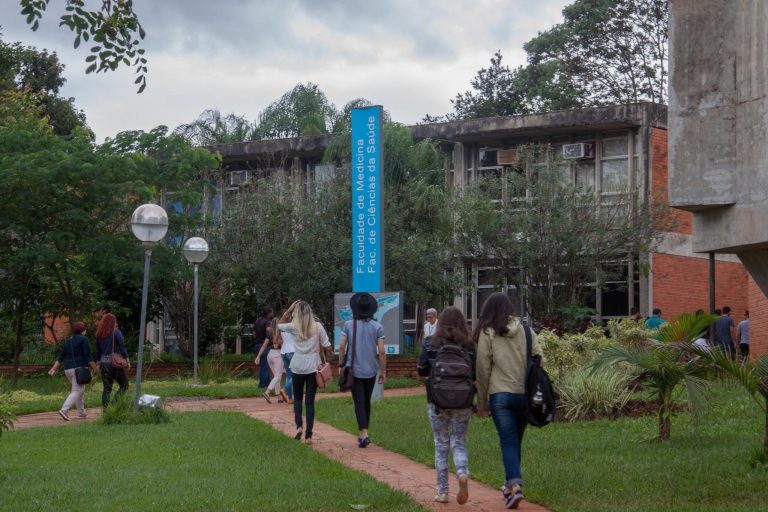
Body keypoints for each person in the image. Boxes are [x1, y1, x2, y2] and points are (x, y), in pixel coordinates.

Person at [475, 292, 543, 510]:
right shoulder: (526, 331)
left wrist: (482, 403)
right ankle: (508, 487)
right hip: (524, 395)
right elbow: (541, 359)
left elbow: (483, 369)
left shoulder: (488, 332)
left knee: (508, 440)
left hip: (500, 395)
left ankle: (515, 487)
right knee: (515, 441)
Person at [417, 306, 475, 505]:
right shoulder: (469, 345)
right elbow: (474, 374)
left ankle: (443, 492)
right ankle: (462, 473)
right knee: (459, 441)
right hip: (463, 402)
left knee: (441, 444)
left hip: (437, 402)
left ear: (439, 322)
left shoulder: (430, 343)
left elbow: (421, 370)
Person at [278, 300, 332, 445]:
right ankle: (308, 436)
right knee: (309, 401)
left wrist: (288, 311)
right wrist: (327, 360)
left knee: (297, 399)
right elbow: (328, 347)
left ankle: (298, 426)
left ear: (296, 314)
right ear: (310, 312)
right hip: (313, 367)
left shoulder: (293, 327)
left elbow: (279, 325)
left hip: (297, 366)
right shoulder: (318, 326)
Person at [338, 292, 387, 449]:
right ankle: (363, 432)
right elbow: (381, 351)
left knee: (358, 401)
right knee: (366, 401)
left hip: (354, 370)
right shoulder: (378, 326)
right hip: (371, 370)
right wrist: (383, 371)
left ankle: (363, 432)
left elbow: (341, 347)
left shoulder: (348, 325)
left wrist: (340, 366)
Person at [48, 321, 97, 421]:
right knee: (77, 390)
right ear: (83, 330)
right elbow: (88, 356)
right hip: (78, 369)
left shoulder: (68, 340)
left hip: (68, 370)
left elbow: (61, 356)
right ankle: (64, 410)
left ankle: (82, 413)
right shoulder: (84, 339)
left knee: (79, 390)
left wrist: (53, 368)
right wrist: (96, 369)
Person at [94, 313, 130, 407]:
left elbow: (97, 352)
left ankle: (106, 410)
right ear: (114, 322)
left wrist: (97, 364)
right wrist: (127, 361)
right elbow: (122, 347)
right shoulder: (116, 332)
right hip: (114, 363)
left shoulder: (99, 334)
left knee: (107, 388)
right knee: (124, 385)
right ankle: (114, 404)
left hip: (104, 363)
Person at [255, 317, 284, 403]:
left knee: (276, 377)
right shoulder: (281, 332)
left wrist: (258, 356)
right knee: (278, 376)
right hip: (278, 355)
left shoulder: (270, 333)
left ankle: (279, 397)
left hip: (270, 355)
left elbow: (264, 345)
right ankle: (267, 392)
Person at [254, 306, 274, 388]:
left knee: (264, 365)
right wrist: (271, 339)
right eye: (272, 312)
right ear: (269, 313)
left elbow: (254, 332)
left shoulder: (257, 320)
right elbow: (269, 332)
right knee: (265, 366)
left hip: (257, 344)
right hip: (265, 346)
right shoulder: (268, 322)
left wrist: (258, 339)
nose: (273, 313)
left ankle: (267, 382)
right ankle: (263, 384)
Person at [279, 324, 295, 404]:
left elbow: (277, 340)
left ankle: (290, 398)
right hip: (292, 350)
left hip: (283, 351)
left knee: (289, 375)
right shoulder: (293, 326)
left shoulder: (281, 327)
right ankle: (285, 389)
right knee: (296, 373)